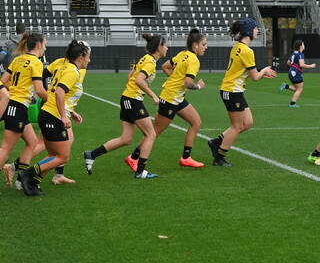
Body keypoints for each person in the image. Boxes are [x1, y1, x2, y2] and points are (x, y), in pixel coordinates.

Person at [83, 33, 168, 179]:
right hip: (132, 100)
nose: (167, 48)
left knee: (126, 139)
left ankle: (91, 155)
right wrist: (153, 95)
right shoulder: (150, 62)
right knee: (151, 134)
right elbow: (138, 80)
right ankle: (140, 171)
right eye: (165, 45)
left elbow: (130, 77)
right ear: (159, 47)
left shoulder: (146, 59)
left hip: (128, 99)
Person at [125, 28, 207, 171]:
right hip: (170, 99)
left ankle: (186, 158)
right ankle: (133, 157)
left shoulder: (183, 54)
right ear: (195, 45)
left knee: (196, 122)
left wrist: (175, 79)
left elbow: (165, 66)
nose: (206, 47)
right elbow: (188, 83)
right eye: (204, 44)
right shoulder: (194, 60)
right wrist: (199, 86)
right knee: (154, 132)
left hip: (176, 97)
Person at [19, 40, 91, 196]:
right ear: (80, 57)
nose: (89, 60)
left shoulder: (66, 67)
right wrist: (64, 116)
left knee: (53, 155)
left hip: (48, 113)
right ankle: (26, 174)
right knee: (63, 156)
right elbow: (59, 92)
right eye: (88, 57)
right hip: (53, 116)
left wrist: (70, 112)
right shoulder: (72, 71)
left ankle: (32, 184)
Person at [208, 18, 277, 167]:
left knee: (248, 123)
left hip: (234, 90)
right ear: (248, 31)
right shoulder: (247, 51)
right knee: (237, 126)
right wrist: (265, 70)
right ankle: (219, 158)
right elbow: (255, 78)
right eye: (255, 28)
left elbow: (248, 72)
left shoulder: (238, 46)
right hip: (232, 91)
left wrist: (261, 72)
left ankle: (216, 142)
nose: (257, 30)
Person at [5, 57, 80, 189]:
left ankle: (56, 174)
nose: (88, 59)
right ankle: (17, 170)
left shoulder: (60, 62)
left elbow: (45, 76)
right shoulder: (73, 68)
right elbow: (48, 83)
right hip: (53, 109)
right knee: (44, 146)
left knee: (58, 144)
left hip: (55, 108)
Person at [0, 32, 48, 186]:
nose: (45, 49)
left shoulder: (18, 59)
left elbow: (3, 81)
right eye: (45, 45)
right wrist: (52, 101)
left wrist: (15, 90)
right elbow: (39, 90)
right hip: (17, 107)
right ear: (39, 45)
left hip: (15, 106)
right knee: (5, 149)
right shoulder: (37, 62)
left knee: (32, 142)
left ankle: (20, 178)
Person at [279, 40, 316, 108]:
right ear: (300, 46)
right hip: (296, 73)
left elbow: (288, 62)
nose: (304, 45)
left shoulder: (294, 53)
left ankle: (286, 86)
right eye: (303, 44)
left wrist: (294, 67)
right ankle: (292, 104)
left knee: (297, 89)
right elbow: (301, 64)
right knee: (299, 89)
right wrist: (311, 66)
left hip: (291, 72)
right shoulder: (300, 54)